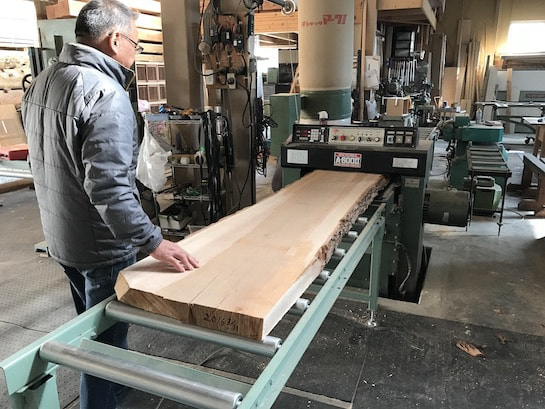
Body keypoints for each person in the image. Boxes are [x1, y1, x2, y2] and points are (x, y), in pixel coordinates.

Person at [21, 1, 200, 408]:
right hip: (101, 245)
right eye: (136, 44)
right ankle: (102, 397)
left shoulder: (45, 80)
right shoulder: (105, 93)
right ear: (116, 39)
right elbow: (110, 189)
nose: (135, 53)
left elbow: (44, 162)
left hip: (61, 235)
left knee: (89, 325)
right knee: (103, 346)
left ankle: (117, 386)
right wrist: (154, 242)